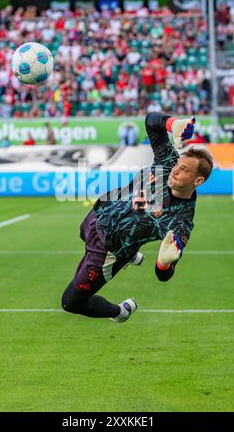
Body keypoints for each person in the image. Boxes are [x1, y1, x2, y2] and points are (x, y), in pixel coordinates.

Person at [61, 113, 213, 323]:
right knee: (81, 233)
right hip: (99, 211)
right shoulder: (168, 163)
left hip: (107, 250)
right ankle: (132, 255)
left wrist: (163, 264)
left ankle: (119, 312)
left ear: (198, 180)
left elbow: (164, 275)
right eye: (179, 165)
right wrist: (173, 124)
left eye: (184, 170)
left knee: (71, 303)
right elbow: (151, 122)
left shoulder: (180, 220)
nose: (175, 170)